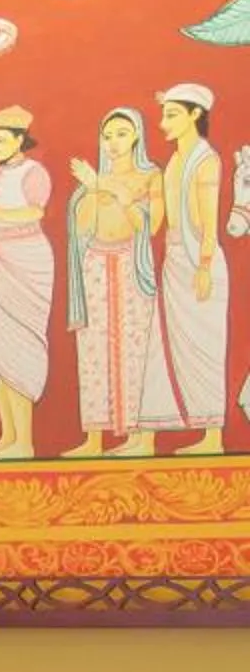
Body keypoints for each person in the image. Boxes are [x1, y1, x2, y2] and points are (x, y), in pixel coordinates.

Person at [134, 82, 232, 455]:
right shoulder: (175, 160)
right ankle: (154, 432)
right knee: (167, 344)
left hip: (198, 261)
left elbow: (209, 223)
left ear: (195, 115)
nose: (162, 123)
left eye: (172, 114)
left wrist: (205, 266)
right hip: (173, 260)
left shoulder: (205, 160)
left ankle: (212, 437)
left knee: (204, 347)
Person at [65, 106, 163, 457]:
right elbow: (81, 229)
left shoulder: (150, 176)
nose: (113, 142)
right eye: (107, 136)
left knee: (137, 350)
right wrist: (91, 192)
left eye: (121, 133)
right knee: (93, 351)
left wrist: (111, 191)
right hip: (95, 265)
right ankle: (95, 439)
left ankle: (142, 438)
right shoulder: (93, 177)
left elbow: (149, 227)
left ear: (137, 134)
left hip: (130, 265)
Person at [0, 107, 54, 460]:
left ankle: (24, 439)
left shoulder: (34, 172)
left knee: (19, 344)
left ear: (20, 140)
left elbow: (36, 211)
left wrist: (2, 215)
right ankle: (8, 435)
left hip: (26, 260)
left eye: (0, 139)